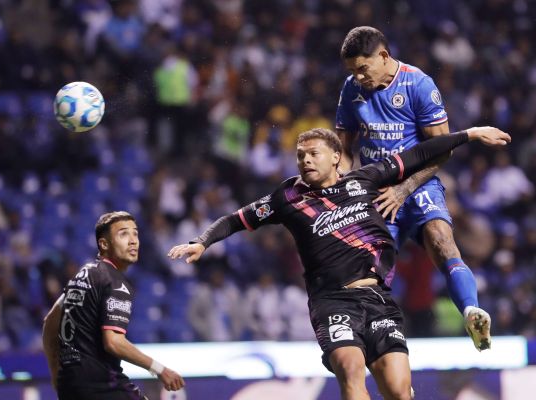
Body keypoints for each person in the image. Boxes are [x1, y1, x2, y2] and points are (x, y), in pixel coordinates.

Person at [168, 126, 510, 400]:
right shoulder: (287, 198)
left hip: (377, 298)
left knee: (397, 389)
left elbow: (420, 153)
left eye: (313, 154)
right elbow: (235, 219)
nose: (305, 160)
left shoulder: (366, 180)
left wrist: (470, 134)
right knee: (350, 368)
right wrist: (202, 242)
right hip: (332, 301)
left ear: (336, 157)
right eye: (300, 156)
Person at [335, 26, 491, 351]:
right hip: (378, 190)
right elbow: (345, 147)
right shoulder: (351, 88)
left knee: (441, 239)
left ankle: (471, 312)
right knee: (372, 268)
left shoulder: (418, 84)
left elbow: (443, 149)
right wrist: (342, 179)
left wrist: (404, 189)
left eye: (363, 68)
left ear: (383, 56)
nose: (358, 77)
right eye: (352, 70)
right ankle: (369, 338)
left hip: (418, 184)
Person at [42, 211, 184, 400]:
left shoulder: (83, 275)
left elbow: (49, 323)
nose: (133, 241)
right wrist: (159, 369)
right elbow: (113, 342)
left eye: (135, 234)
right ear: (104, 244)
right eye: (123, 234)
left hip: (71, 387)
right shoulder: (114, 282)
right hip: (103, 386)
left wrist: (57, 375)